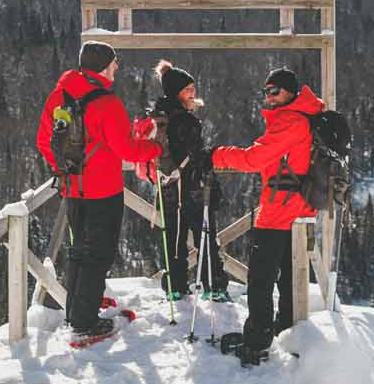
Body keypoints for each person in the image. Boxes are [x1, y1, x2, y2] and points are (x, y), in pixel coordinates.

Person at [36, 40, 161, 343]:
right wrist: (156, 147)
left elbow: (44, 141)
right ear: (105, 66)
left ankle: (76, 313)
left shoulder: (59, 96)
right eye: (114, 63)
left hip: (73, 189)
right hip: (103, 190)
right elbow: (126, 148)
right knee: (99, 255)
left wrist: (65, 171)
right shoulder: (107, 103)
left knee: (79, 252)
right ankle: (85, 323)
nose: (117, 68)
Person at [210, 67, 325, 362]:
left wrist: (215, 155)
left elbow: (253, 158)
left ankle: (258, 340)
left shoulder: (291, 121)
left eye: (275, 91)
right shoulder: (307, 118)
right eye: (266, 92)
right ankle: (288, 332)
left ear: (290, 92)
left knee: (260, 279)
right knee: (289, 278)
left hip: (279, 212)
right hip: (300, 210)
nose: (269, 98)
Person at [136, 60, 226, 301]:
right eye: (188, 89)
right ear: (177, 91)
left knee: (173, 243)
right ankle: (214, 287)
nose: (192, 93)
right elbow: (196, 156)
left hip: (167, 189)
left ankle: (175, 288)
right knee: (205, 238)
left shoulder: (158, 116)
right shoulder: (187, 121)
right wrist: (213, 163)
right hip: (191, 190)